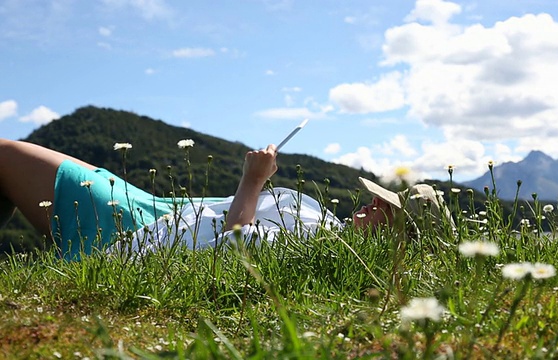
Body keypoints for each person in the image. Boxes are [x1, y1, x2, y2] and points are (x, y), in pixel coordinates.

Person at [0, 139, 451, 259]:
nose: (371, 205)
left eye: (385, 212)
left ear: (397, 237)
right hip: (155, 211)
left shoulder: (320, 247)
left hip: (132, 234)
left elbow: (235, 242)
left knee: (5, 156)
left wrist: (252, 179)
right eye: (380, 200)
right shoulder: (326, 227)